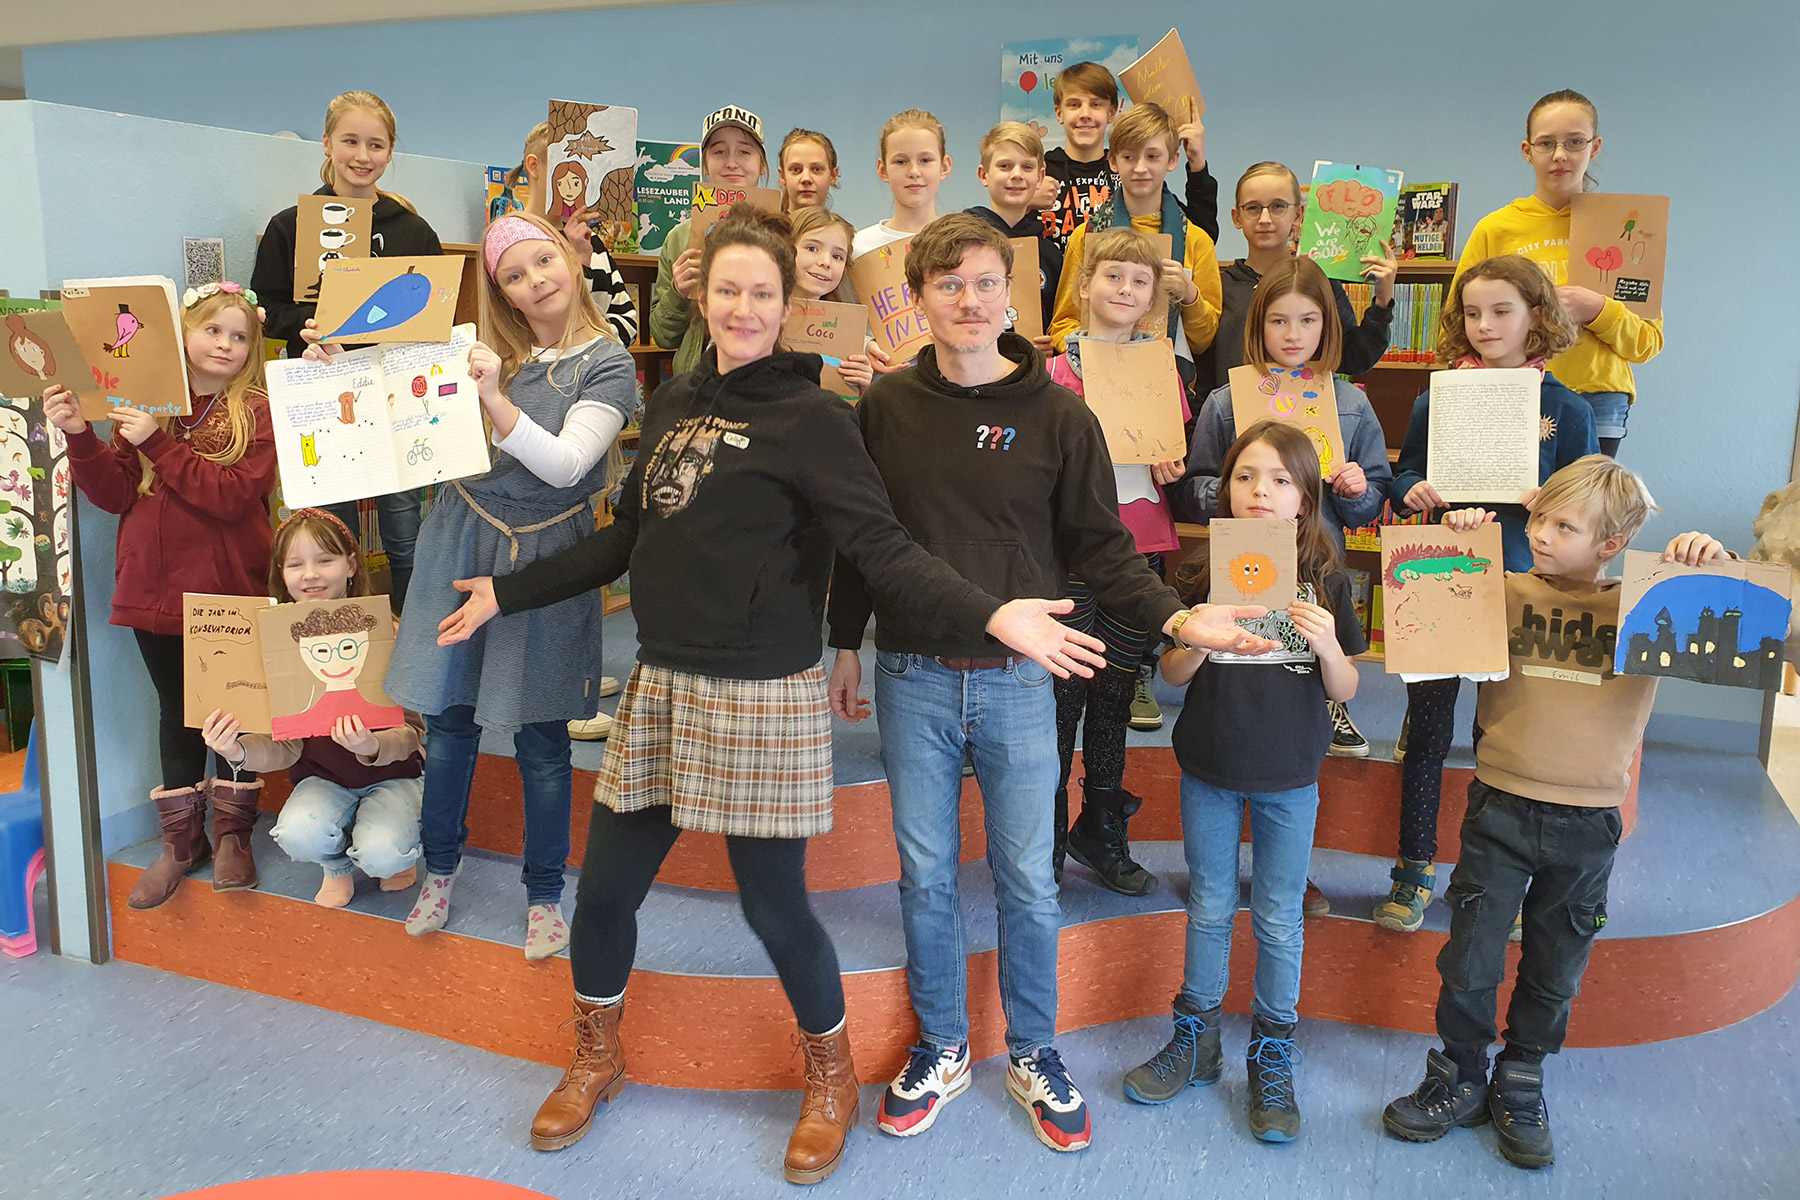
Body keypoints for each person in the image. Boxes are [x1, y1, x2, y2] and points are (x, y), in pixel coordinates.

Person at [433, 205, 1110, 1183]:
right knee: (606, 895)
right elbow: (626, 537)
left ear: (790, 306)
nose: (743, 308)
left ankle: (829, 1079)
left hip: (761, 695)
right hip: (664, 683)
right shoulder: (668, 407)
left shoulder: (817, 421)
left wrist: (994, 614)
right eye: (727, 289)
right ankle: (597, 1056)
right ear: (700, 295)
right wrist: (509, 587)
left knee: (775, 908)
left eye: (763, 293)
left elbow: (880, 548)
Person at [827, 213, 1276, 1154]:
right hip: (910, 673)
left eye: (986, 283)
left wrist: (1179, 618)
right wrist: (842, 646)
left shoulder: (1062, 416)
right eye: (947, 285)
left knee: (1030, 878)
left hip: (1024, 681)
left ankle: (1034, 1050)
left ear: (1013, 297)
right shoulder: (885, 411)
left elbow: (1105, 554)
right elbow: (864, 547)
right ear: (917, 295)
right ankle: (945, 1045)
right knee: (926, 877)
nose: (968, 301)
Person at [1383, 457, 1722, 1168]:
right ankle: (1461, 1072)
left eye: (1561, 526)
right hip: (1499, 806)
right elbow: (1421, 610)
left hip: (1588, 823)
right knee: (1470, 954)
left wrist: (1714, 567)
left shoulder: (1651, 604)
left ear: (1610, 543)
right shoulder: (1500, 590)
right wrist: (1455, 541)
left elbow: (1777, 641)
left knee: (1555, 964)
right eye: (1537, 518)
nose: (1538, 533)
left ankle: (1522, 1077)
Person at [339, 213, 636, 959]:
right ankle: (439, 872)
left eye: (544, 261)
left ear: (569, 259)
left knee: (541, 740)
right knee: (449, 725)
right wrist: (336, 368)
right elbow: (395, 424)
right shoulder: (474, 352)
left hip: (546, 559)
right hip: (459, 537)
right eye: (515, 274)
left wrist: (496, 398)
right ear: (500, 291)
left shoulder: (608, 362)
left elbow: (567, 465)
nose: (536, 280)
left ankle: (543, 896)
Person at [1123, 421, 1363, 1143]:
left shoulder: (1328, 576)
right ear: (1225, 488)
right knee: (1209, 903)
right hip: (1211, 765)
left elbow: (1346, 684)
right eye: (1246, 477)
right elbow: (1169, 676)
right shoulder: (1200, 570)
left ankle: (1272, 1050)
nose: (1261, 492)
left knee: (1280, 916)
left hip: (1291, 772)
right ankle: (1196, 1038)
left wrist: (1324, 645)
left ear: (1305, 498)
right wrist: (1197, 634)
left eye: (1281, 480)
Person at [1378, 255, 1599, 934]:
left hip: (1523, 586)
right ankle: (1414, 868)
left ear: (1537, 314)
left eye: (1501, 310)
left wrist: (1551, 504)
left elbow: (1588, 501)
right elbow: (1407, 469)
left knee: (1499, 737)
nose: (1484, 325)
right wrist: (1410, 489)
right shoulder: (1435, 397)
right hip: (1446, 573)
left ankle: (1486, 880)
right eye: (1471, 313)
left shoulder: (1565, 407)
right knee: (1430, 733)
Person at [45, 281, 277, 909]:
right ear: (182, 337)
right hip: (153, 589)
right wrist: (80, 435)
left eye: (239, 335)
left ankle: (233, 833)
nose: (225, 344)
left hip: (228, 592)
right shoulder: (150, 403)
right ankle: (181, 842)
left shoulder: (256, 411)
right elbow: (118, 494)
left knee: (233, 710)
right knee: (176, 711)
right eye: (212, 330)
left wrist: (156, 441)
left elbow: (231, 497)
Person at [1175, 256, 1392, 763]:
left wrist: (1356, 489)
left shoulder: (1352, 404)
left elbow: (1371, 502)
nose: (1293, 334)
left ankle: (1326, 702)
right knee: (1241, 647)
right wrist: (1232, 493)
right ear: (1258, 325)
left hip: (1317, 556)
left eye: (1308, 320)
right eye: (1278, 320)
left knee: (1310, 634)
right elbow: (1194, 486)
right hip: (1238, 557)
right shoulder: (1226, 402)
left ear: (1328, 325)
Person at [251, 90, 441, 613]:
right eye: (351, 141)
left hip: (391, 394)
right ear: (328, 142)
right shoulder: (289, 226)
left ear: (390, 151)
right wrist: (310, 325)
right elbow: (265, 305)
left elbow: (431, 309)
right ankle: (336, 642)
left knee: (405, 531)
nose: (363, 155)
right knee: (330, 534)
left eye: (376, 144)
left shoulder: (412, 230)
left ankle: (409, 642)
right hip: (320, 393)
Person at [1042, 227, 1189, 893]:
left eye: (1138, 280)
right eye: (1112, 277)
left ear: (1154, 295)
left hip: (1139, 550)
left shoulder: (1164, 369)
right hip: (1072, 555)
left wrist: (1171, 461)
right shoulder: (1054, 371)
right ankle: (1043, 839)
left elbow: (1177, 465)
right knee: (1063, 699)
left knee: (1115, 692)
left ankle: (1100, 826)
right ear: (1085, 286)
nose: (1125, 289)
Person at [199, 508, 423, 909]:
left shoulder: (385, 631)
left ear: (351, 564)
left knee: (384, 850)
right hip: (324, 778)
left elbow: (414, 732)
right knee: (297, 831)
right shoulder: (274, 642)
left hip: (395, 777)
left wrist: (372, 744)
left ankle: (393, 854)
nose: (310, 575)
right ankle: (335, 865)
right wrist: (236, 751)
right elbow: (284, 745)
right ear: (281, 573)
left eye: (325, 560)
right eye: (295, 564)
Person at [1455, 89, 1662, 456]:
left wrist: (1598, 309)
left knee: (1583, 512)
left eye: (1574, 142)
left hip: (1599, 396)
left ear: (1594, 147)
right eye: (1546, 143)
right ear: (1527, 150)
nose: (1560, 155)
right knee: (1512, 510)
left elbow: (1647, 342)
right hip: (1511, 394)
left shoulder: (1628, 229)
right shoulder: (1495, 228)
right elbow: (1456, 323)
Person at [1047, 102, 1221, 391]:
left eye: (1153, 156)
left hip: (1166, 389)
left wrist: (1189, 296)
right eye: (1129, 156)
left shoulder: (1196, 241)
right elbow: (1063, 323)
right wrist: (1094, 352)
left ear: (1173, 159)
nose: (1141, 168)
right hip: (1092, 383)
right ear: (1113, 161)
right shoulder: (1086, 236)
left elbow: (1204, 341)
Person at [1200, 161, 1398, 392]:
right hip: (1235, 420)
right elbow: (1204, 372)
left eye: (1278, 206)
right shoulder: (1221, 288)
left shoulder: (1317, 282)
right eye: (1253, 208)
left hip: (1308, 419)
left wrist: (1382, 303)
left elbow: (1354, 358)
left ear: (1298, 213)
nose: (1265, 218)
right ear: (1236, 217)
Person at [1033, 60, 1218, 251]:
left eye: (1096, 104)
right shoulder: (1037, 174)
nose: (1085, 114)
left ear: (1112, 112)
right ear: (1059, 113)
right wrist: (1025, 202)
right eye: (1074, 105)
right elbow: (1004, 236)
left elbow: (1203, 236)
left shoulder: (1130, 171)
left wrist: (1197, 164)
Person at [650, 105, 770, 378]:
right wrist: (678, 294)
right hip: (697, 387)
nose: (731, 162)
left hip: (765, 385)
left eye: (744, 151)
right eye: (718, 151)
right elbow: (663, 337)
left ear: (762, 164)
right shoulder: (680, 238)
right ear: (704, 163)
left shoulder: (785, 232)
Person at [506, 120, 641, 345]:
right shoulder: (510, 243)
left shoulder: (591, 241)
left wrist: (584, 342)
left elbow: (628, 325)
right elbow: (517, 332)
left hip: (598, 372)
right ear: (533, 166)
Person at [966, 121, 1062, 349]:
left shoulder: (1050, 254)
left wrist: (1053, 343)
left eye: (1027, 167)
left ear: (1040, 177)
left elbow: (1058, 320)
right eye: (1005, 166)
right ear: (983, 174)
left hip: (1032, 372)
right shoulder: (962, 242)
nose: (1017, 175)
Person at [788, 206, 874, 396]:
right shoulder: (754, 318)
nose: (826, 262)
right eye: (812, 248)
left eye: (837, 256)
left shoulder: (850, 339)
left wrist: (863, 387)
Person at [853, 109, 953, 259]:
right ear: (883, 169)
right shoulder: (859, 248)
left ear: (944, 166)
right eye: (901, 162)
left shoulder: (962, 245)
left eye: (925, 160)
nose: (914, 172)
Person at [779, 127, 842, 211]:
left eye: (816, 169)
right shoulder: (765, 224)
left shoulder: (842, 225)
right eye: (796, 170)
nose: (806, 178)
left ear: (833, 175)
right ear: (782, 176)